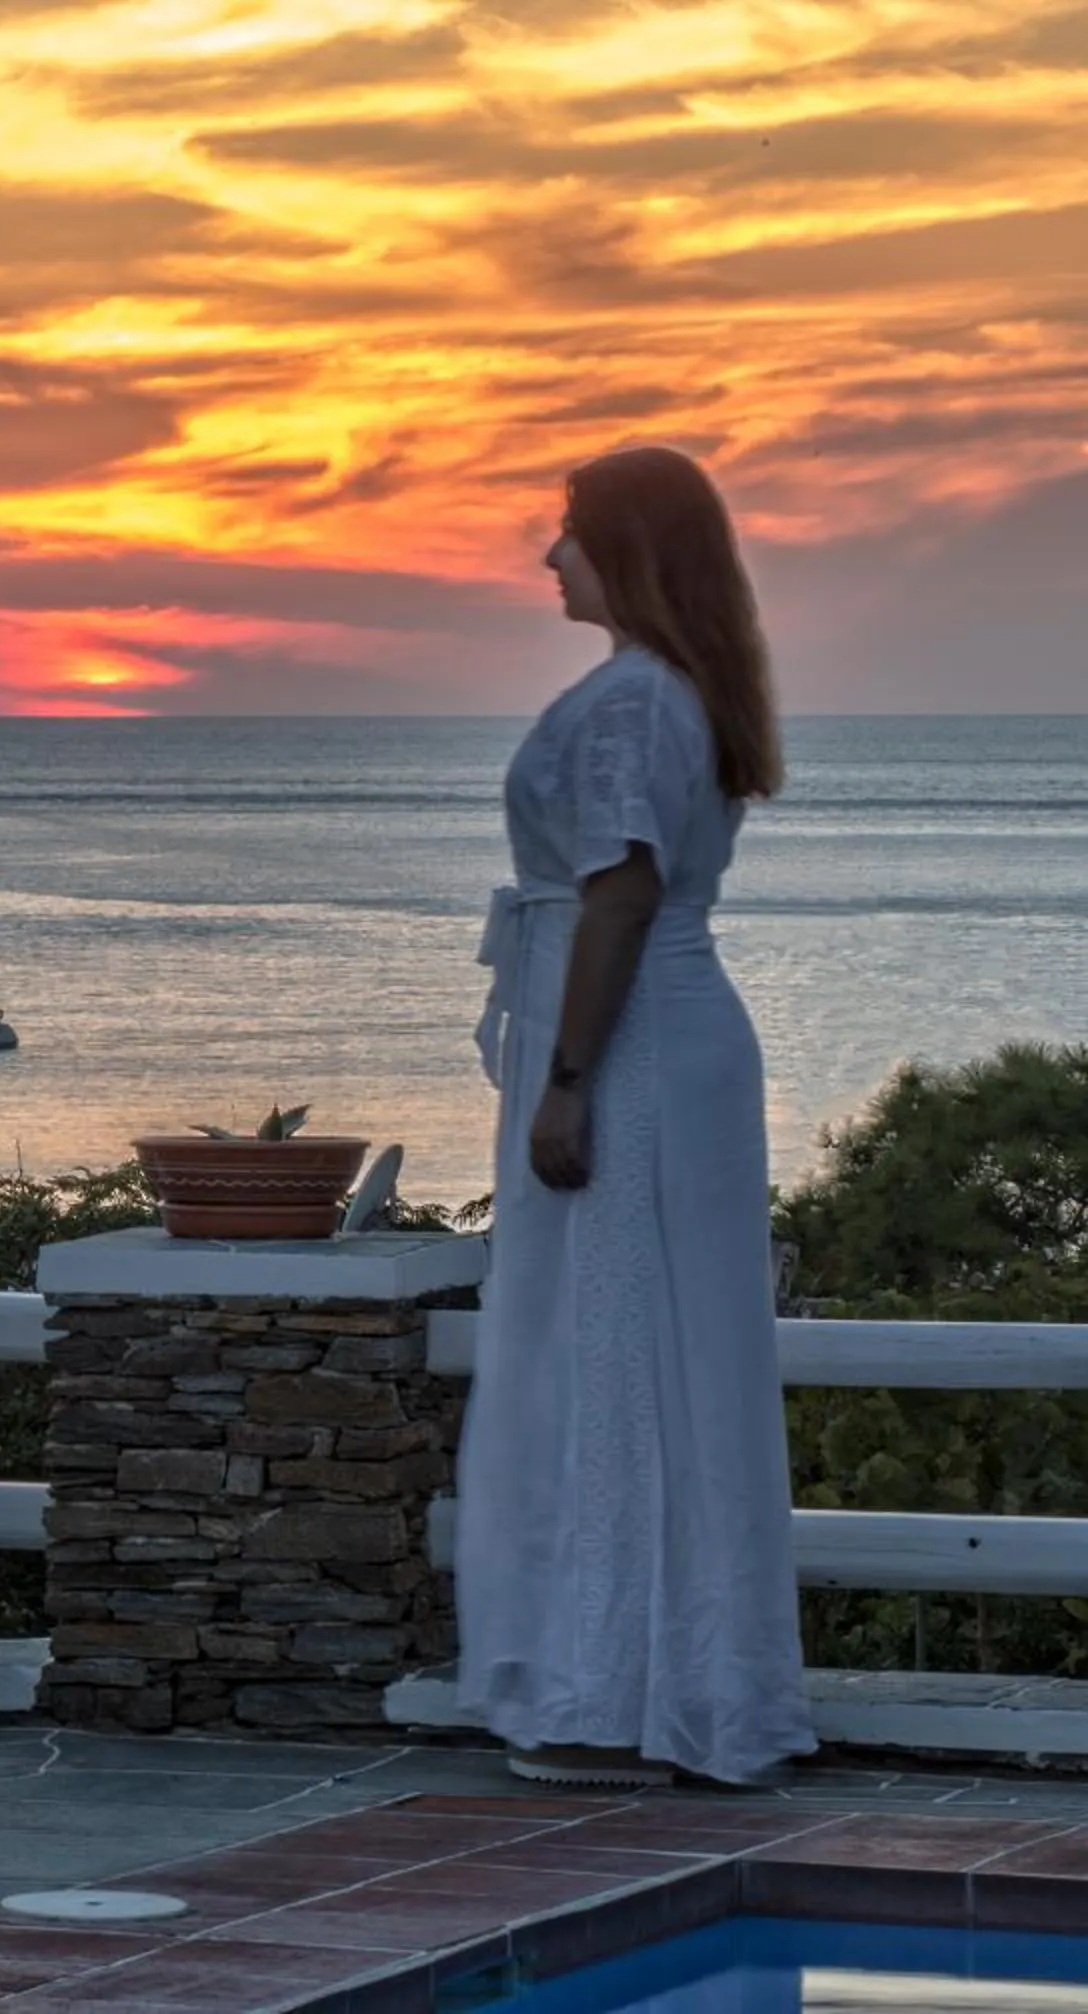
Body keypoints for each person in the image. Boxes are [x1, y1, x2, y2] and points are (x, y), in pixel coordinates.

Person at [455, 445, 817, 1790]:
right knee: (655, 1352)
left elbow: (619, 893)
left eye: (569, 535)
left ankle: (613, 1694)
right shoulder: (681, 695)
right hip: (670, 1034)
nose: (549, 558)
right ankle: (664, 1674)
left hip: (635, 1046)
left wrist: (565, 1078)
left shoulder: (629, 701)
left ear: (632, 552)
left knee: (615, 1352)